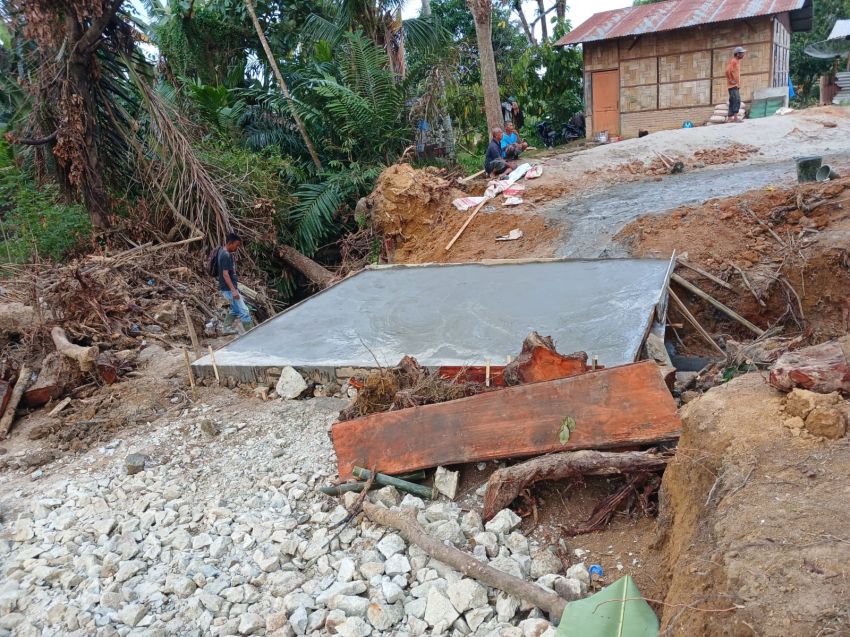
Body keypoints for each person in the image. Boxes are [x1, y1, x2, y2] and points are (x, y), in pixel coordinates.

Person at [217, 232, 254, 333]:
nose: (237, 248)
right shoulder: (226, 255)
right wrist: (234, 290)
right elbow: (225, 274)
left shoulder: (221, 251)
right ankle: (251, 333)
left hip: (227, 288)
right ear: (231, 243)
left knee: (235, 310)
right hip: (229, 289)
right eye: (236, 245)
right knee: (244, 311)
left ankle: (226, 328)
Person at [726, 46, 746, 122]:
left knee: (732, 100)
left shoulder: (737, 61)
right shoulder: (734, 61)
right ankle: (735, 118)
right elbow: (727, 71)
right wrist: (731, 80)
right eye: (742, 53)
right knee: (736, 100)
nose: (743, 54)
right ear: (737, 54)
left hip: (735, 85)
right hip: (733, 86)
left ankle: (730, 118)